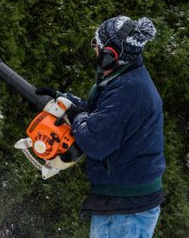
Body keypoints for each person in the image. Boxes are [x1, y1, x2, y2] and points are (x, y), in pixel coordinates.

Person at [37, 15, 165, 238]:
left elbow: (95, 141)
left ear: (110, 55)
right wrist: (65, 101)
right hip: (127, 202)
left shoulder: (128, 91)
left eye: (96, 45)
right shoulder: (126, 80)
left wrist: (74, 115)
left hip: (124, 209)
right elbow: (102, 115)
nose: (94, 50)